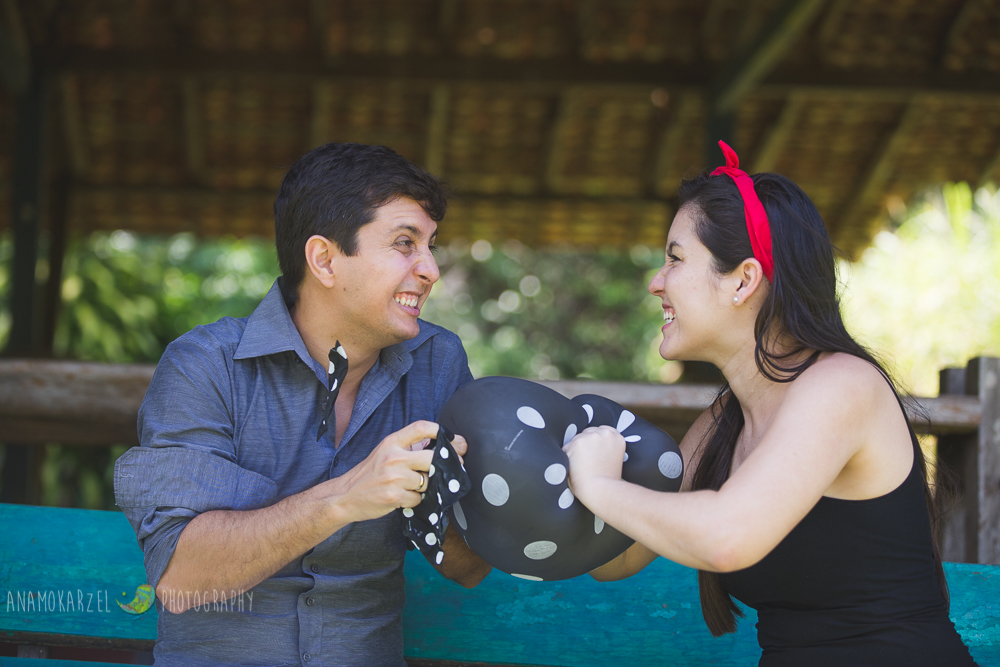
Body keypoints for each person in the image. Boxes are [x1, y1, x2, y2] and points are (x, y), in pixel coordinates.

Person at [562, 142, 978, 666]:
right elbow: (616, 560)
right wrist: (543, 470)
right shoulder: (721, 425)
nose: (656, 282)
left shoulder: (842, 387)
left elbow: (726, 539)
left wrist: (599, 484)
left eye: (674, 258)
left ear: (743, 280)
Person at [114, 143, 492, 667]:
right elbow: (180, 576)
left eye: (430, 246)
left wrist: (503, 488)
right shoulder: (205, 365)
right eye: (405, 243)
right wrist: (346, 497)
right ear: (324, 260)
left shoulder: (437, 362)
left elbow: (466, 566)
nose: (430, 268)